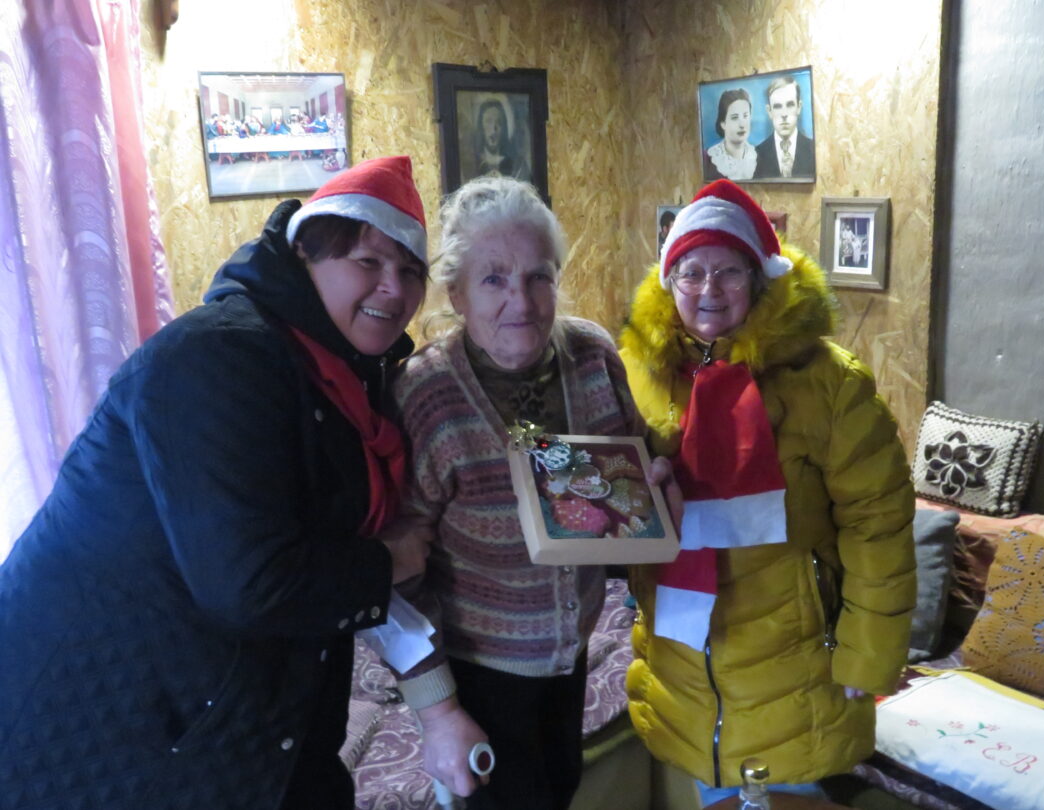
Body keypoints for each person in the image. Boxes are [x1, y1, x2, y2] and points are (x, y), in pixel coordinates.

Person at [0, 156, 432, 810]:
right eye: (368, 261)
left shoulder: (345, 374)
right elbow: (250, 583)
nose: (393, 289)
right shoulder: (219, 355)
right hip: (103, 713)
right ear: (305, 255)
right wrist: (388, 561)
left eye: (411, 271)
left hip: (237, 703)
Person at [619, 179, 915, 804]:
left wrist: (869, 652)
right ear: (668, 283)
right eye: (690, 272)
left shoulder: (830, 383)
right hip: (684, 660)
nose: (708, 288)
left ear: (758, 279)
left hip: (795, 660)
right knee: (714, 788)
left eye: (728, 270)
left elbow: (878, 524)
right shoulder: (637, 376)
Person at [390, 175, 645, 810]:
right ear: (456, 293)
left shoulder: (592, 357)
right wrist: (436, 710)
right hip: (478, 674)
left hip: (574, 652)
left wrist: (653, 488)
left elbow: (628, 481)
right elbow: (396, 574)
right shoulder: (426, 394)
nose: (521, 302)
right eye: (494, 279)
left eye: (538, 277)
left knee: (558, 791)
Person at [753, 75, 816, 180]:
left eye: (790, 105)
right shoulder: (756, 154)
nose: (784, 114)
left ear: (799, 107)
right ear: (769, 111)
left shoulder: (814, 149)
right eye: (777, 106)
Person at [704, 87, 757, 181]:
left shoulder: (759, 156)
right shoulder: (707, 159)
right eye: (735, 118)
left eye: (745, 116)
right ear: (723, 124)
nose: (742, 124)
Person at [472, 97, 527, 181]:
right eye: (488, 121)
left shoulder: (517, 164)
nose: (494, 129)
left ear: (504, 128)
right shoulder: (472, 162)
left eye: (499, 122)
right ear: (481, 126)